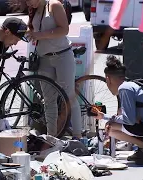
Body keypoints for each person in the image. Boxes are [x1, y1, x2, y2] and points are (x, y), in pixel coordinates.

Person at [94, 55, 143, 165]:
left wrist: (106, 118)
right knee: (117, 120)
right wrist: (105, 116)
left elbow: (129, 120)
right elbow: (133, 118)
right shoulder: (132, 85)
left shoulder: (124, 89)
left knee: (111, 128)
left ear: (108, 79)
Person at [24, 0, 83, 138]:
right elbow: (31, 28)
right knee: (49, 99)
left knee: (69, 96)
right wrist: (29, 32)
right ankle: (52, 136)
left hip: (62, 56)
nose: (28, 3)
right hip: (44, 58)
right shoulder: (34, 9)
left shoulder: (54, 5)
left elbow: (64, 29)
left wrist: (40, 35)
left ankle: (78, 135)